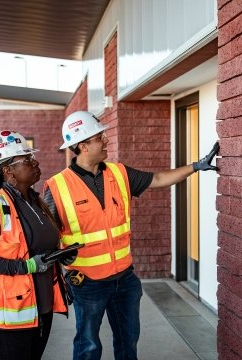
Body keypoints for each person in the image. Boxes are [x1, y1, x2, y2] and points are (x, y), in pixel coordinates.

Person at [43, 111, 219, 360]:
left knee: (128, 343)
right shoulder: (58, 186)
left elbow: (157, 178)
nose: (106, 140)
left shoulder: (119, 173)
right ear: (83, 145)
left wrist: (195, 167)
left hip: (125, 279)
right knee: (88, 346)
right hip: (88, 283)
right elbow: (45, 234)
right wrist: (58, 257)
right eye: (99, 137)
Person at [0, 130, 73, 360]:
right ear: (8, 171)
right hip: (12, 314)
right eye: (26, 160)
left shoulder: (36, 202)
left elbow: (39, 247)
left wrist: (60, 256)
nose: (35, 162)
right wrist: (26, 267)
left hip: (42, 304)